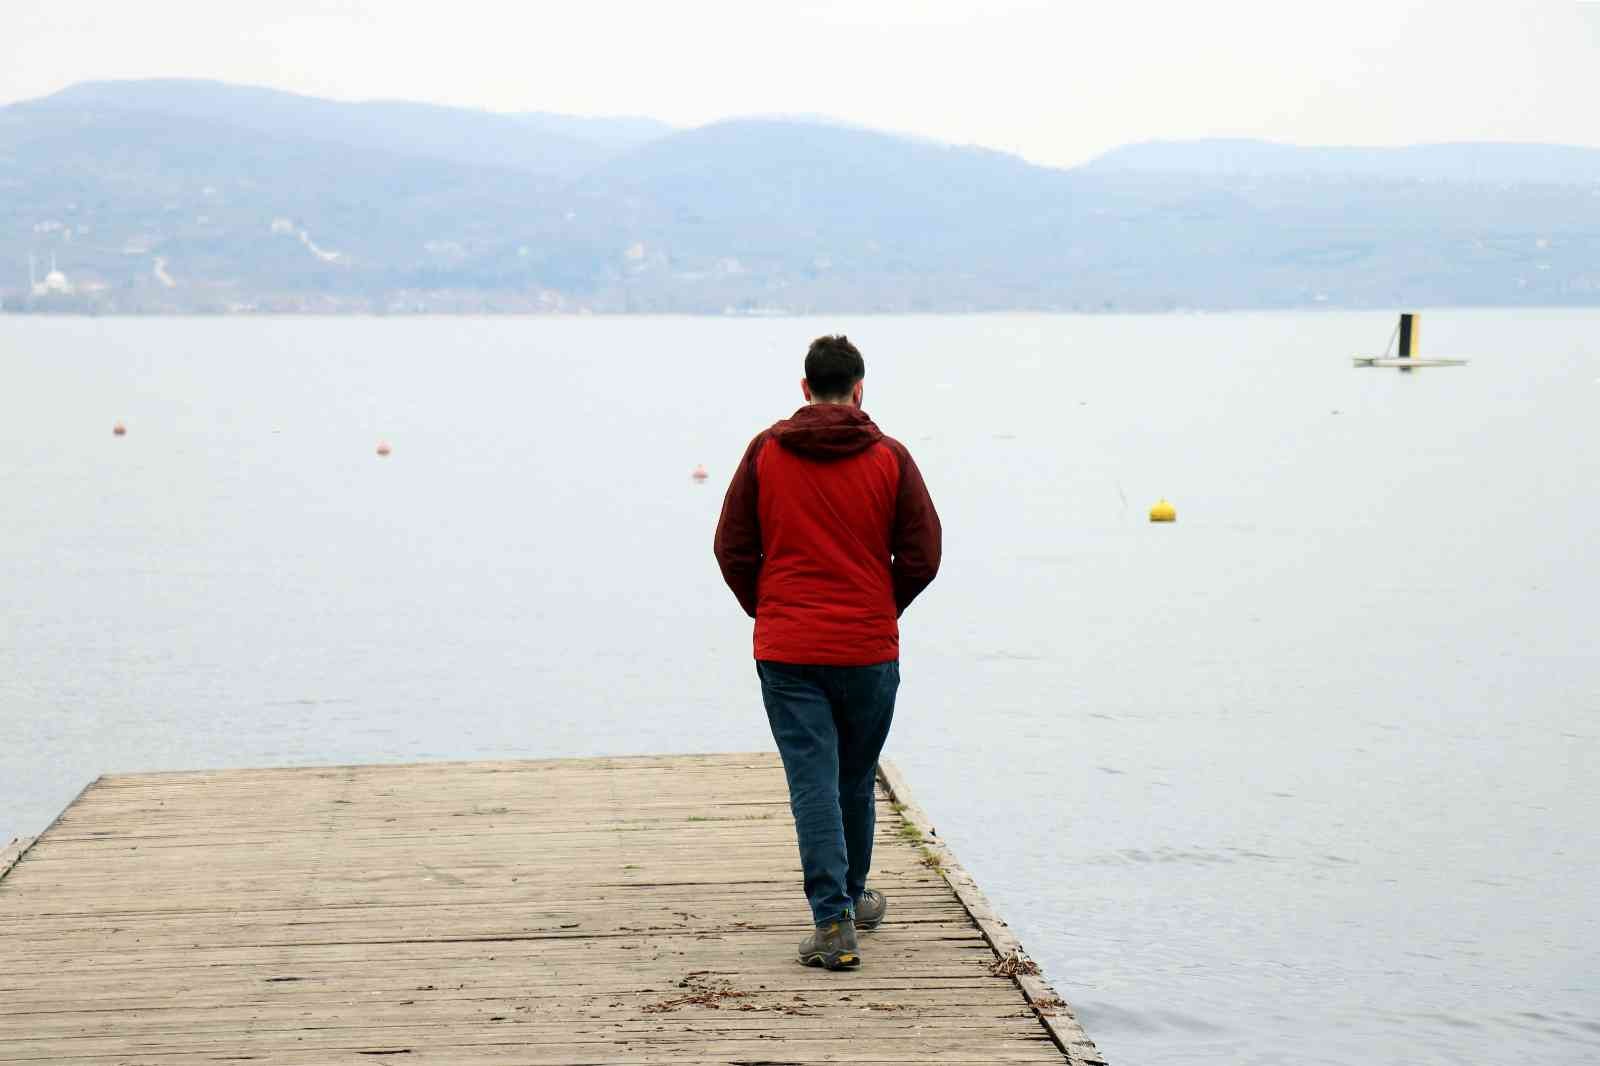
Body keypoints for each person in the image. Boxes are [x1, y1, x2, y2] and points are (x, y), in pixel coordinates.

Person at [713, 334, 942, 970]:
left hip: (788, 649)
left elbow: (731, 547)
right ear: (860, 388)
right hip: (867, 648)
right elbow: (924, 555)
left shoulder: (765, 453)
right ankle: (847, 902)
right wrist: (879, 606)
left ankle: (837, 915)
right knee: (852, 776)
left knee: (815, 780)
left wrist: (770, 609)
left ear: (804, 388)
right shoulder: (891, 458)